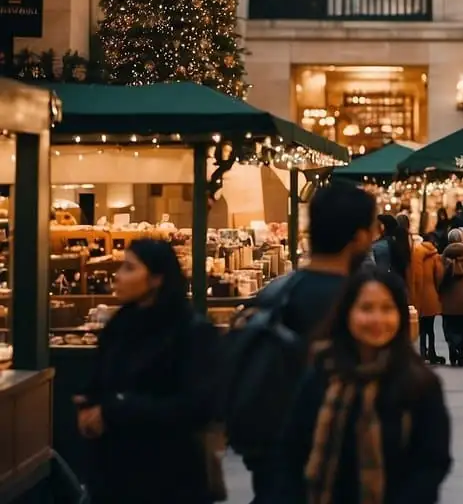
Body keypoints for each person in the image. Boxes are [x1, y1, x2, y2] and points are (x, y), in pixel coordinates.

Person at [236, 180, 378, 500]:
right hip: (337, 465)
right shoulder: (361, 303)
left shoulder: (274, 294)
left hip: (271, 462)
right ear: (357, 238)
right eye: (372, 229)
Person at [273, 268, 452, 503]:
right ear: (347, 312)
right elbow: (292, 451)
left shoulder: (419, 384)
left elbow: (431, 463)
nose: (377, 319)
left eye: (387, 309)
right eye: (366, 308)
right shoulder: (322, 373)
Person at [76, 239, 219, 504]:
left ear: (156, 279)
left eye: (129, 268)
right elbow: (99, 379)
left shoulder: (190, 331)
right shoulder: (119, 326)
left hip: (168, 479)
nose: (118, 275)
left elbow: (197, 406)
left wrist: (117, 409)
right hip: (113, 477)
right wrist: (88, 404)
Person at [439, 228, 463, 366]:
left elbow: (439, 277)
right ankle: (459, 348)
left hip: (449, 296)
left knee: (448, 325)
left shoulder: (443, 257)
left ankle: (452, 345)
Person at [407, 232, 445, 364]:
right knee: (430, 327)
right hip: (431, 294)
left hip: (418, 294)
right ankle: (432, 351)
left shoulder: (414, 255)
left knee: (422, 327)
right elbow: (439, 275)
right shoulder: (434, 256)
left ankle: (422, 351)